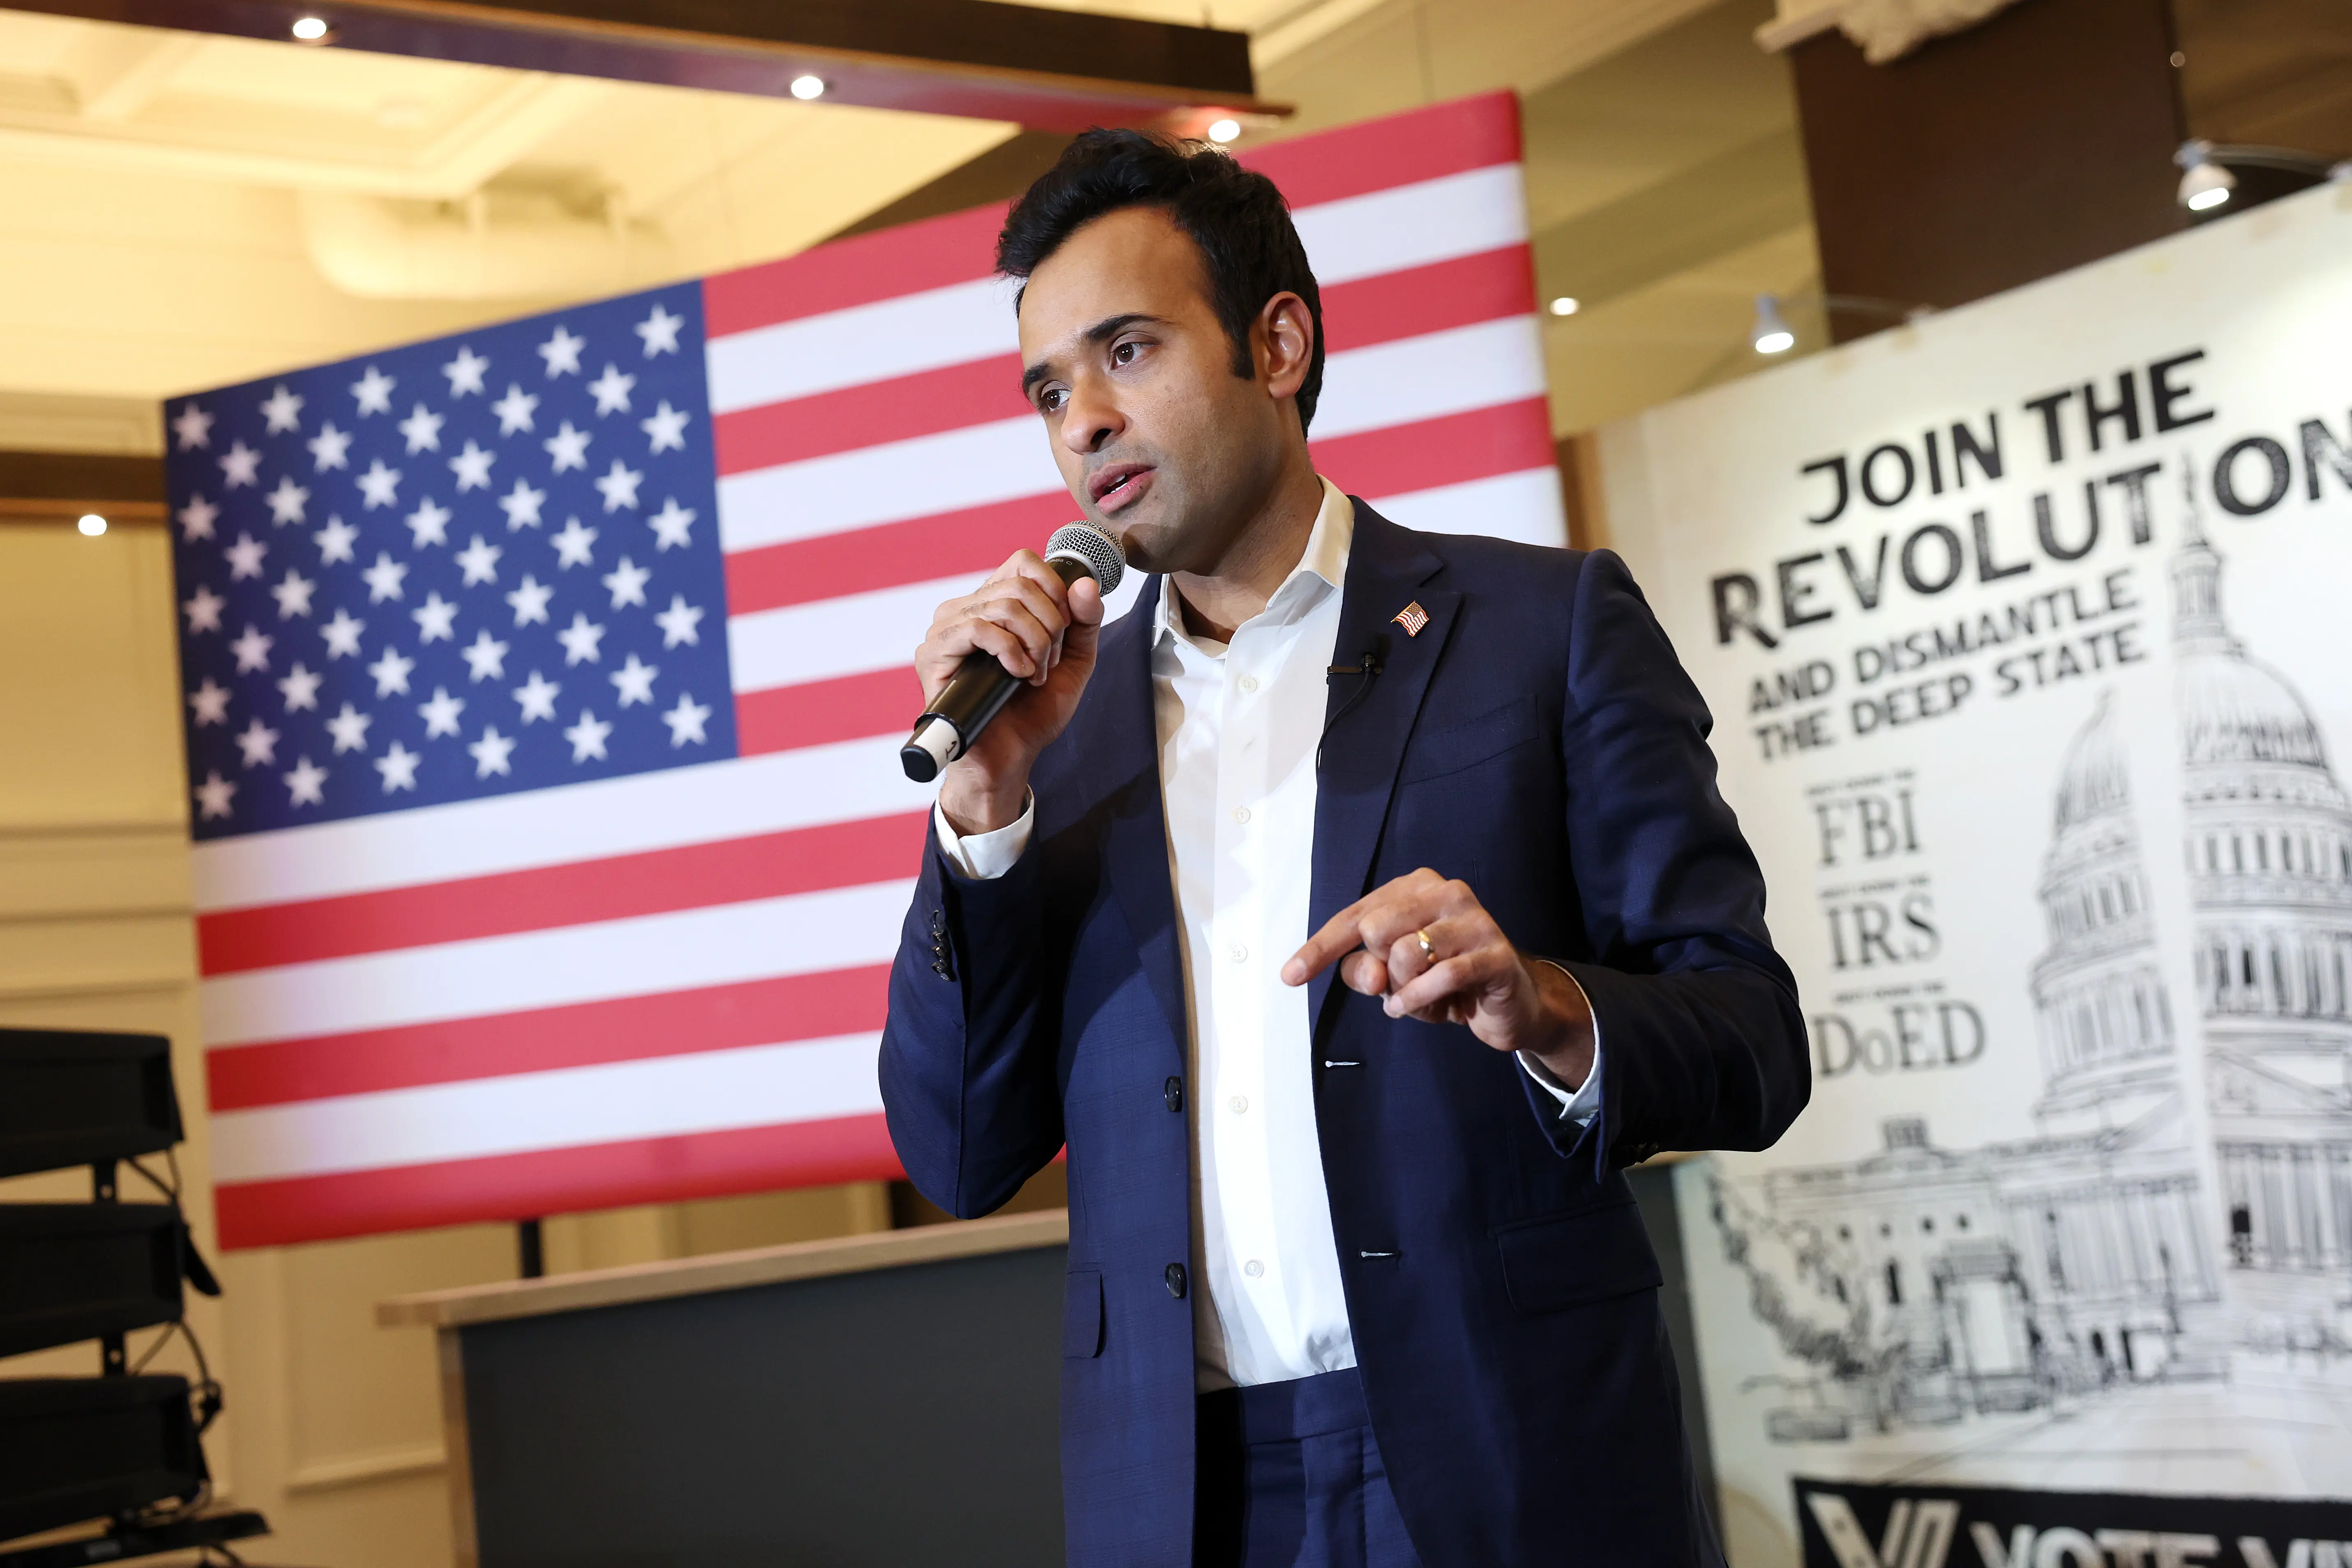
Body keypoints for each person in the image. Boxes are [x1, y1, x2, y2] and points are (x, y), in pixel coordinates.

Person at [879, 129, 1807, 1568]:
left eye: (1127, 352)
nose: (1083, 423)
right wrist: (984, 810)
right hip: (1184, 1497)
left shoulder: (1542, 631)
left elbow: (1753, 1042)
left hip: (1512, 1456)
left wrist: (1547, 1006)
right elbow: (954, 1151)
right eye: (1050, 389)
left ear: (1280, 341)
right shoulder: (1057, 733)